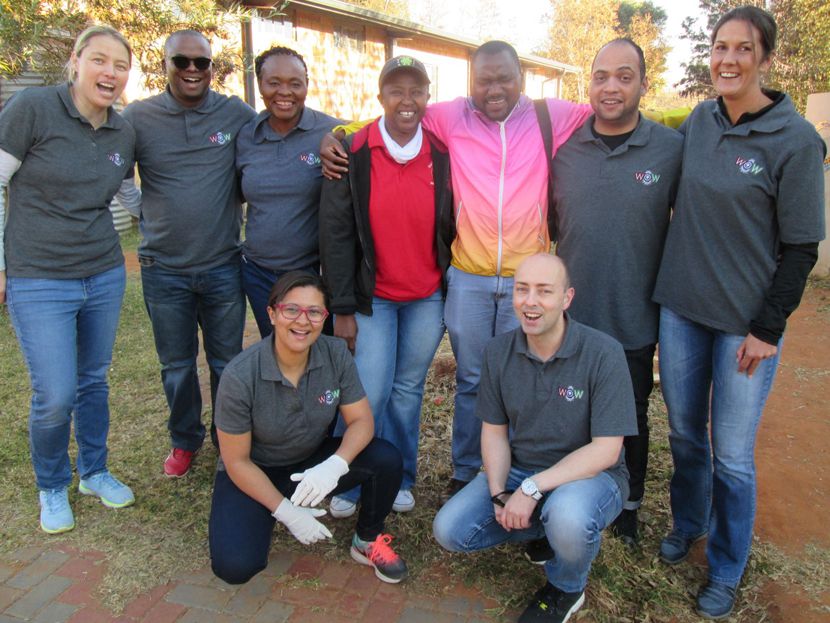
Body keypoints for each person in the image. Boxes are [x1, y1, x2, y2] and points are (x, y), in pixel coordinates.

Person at [323, 41, 594, 501]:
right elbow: (389, 117)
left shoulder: (552, 115)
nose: (494, 88)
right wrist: (334, 134)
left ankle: (518, 470)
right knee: (471, 379)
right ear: (469, 84)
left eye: (504, 77)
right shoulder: (450, 116)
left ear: (521, 77)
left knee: (521, 379)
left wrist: (684, 121)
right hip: (466, 277)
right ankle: (466, 470)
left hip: (523, 281)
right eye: (484, 80)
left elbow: (615, 109)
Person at [652, 6, 826, 619]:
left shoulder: (796, 140)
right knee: (682, 432)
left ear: (765, 58)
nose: (727, 59)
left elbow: (802, 247)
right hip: (681, 312)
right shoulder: (698, 120)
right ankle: (688, 522)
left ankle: (726, 565)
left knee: (731, 453)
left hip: (742, 330)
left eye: (742, 49)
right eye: (719, 47)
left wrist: (767, 329)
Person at [433, 254, 636, 623]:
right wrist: (499, 492)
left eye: (545, 291)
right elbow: (493, 432)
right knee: (450, 531)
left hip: (589, 477)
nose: (530, 301)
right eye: (522, 289)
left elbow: (607, 449)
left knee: (570, 518)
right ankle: (545, 525)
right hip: (520, 469)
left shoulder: (603, 353)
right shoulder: (499, 352)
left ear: (567, 298)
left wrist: (530, 490)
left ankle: (566, 587)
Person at [0, 25, 136, 534]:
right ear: (76, 61)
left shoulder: (123, 131)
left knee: (92, 380)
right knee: (54, 393)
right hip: (38, 276)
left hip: (103, 272)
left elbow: (130, 196)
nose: (110, 73)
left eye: (120, 66)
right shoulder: (32, 109)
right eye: (99, 60)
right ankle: (52, 485)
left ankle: (94, 472)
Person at [550, 38, 682, 545]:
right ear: (590, 83)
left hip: (633, 313)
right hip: (572, 318)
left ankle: (627, 505)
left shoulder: (670, 151)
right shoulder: (564, 151)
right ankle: (568, 497)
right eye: (601, 76)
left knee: (628, 415)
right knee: (567, 412)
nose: (611, 86)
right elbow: (554, 223)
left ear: (643, 85)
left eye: (624, 76)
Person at [208, 271, 408, 585]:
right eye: (291, 310)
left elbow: (361, 421)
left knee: (385, 459)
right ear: (272, 314)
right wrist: (285, 511)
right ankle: (268, 512)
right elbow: (236, 461)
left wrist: (335, 465)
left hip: (310, 463)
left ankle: (366, 540)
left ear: (324, 317)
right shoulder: (239, 375)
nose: (303, 321)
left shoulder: (335, 353)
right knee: (235, 566)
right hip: (256, 470)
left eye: (314, 312)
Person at [319, 56, 454, 517]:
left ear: (428, 98)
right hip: (372, 299)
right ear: (380, 98)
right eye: (396, 90)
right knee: (368, 392)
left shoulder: (440, 152)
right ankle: (349, 481)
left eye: (416, 90)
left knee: (407, 391)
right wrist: (340, 306)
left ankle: (398, 476)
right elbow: (335, 235)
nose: (407, 100)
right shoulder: (353, 151)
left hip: (425, 297)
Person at [117, 30, 255, 477]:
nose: (193, 70)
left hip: (222, 265)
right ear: (165, 65)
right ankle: (184, 439)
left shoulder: (234, 112)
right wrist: (145, 212)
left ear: (213, 67)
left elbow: (274, 137)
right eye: (182, 62)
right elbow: (118, 173)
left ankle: (227, 439)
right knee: (176, 366)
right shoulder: (138, 117)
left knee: (226, 363)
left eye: (202, 62)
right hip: (164, 270)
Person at [236, 47, 341, 337]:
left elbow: (372, 134)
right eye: (274, 82)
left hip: (310, 272)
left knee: (316, 353)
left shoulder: (331, 129)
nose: (285, 92)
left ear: (307, 84)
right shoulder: (246, 136)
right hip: (257, 273)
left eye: (295, 83)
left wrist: (336, 137)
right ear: (260, 84)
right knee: (277, 351)